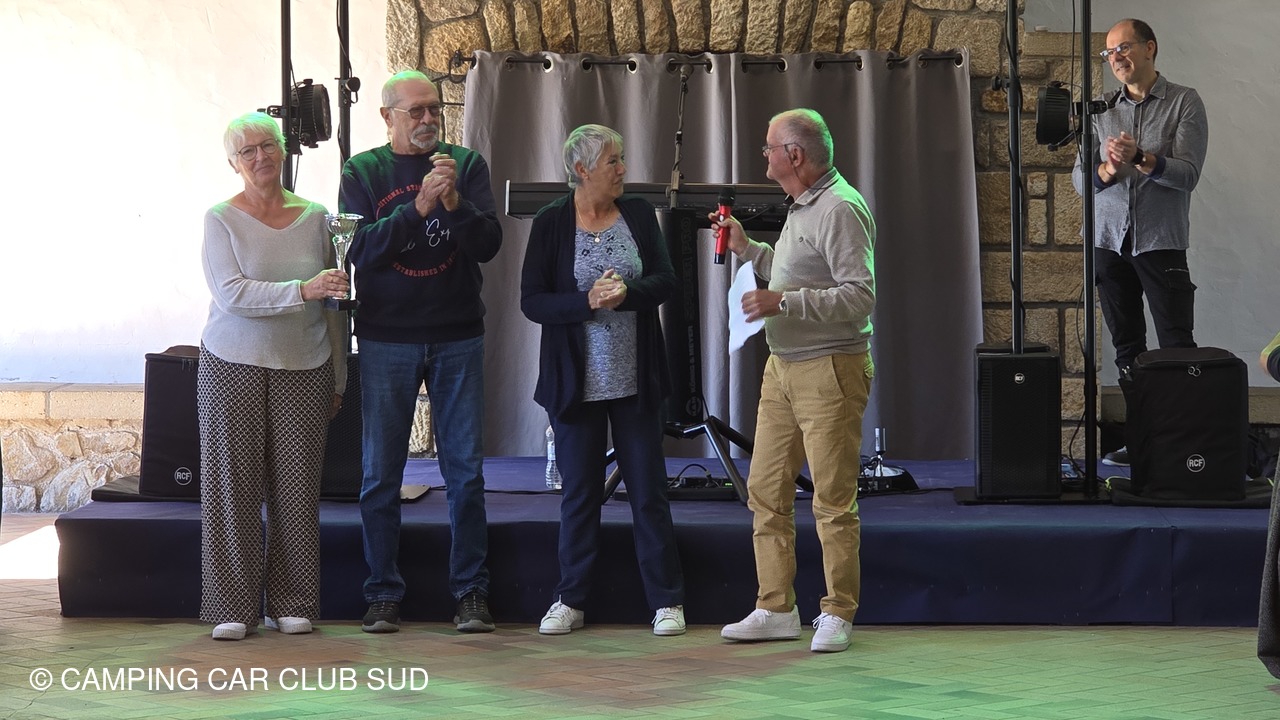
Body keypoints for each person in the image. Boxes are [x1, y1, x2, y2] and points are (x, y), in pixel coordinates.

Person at [340, 70, 503, 633]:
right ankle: (383, 593)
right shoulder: (363, 171)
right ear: (388, 117)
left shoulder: (466, 165)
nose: (429, 119)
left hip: (458, 335)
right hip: (386, 338)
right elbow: (359, 250)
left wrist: (453, 201)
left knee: (466, 474)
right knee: (380, 475)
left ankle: (471, 593)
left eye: (435, 109)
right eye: (417, 111)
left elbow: (488, 245)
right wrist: (417, 209)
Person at [713, 109, 876, 653]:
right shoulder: (804, 204)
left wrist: (782, 302)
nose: (764, 155)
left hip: (830, 367)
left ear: (795, 155)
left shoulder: (840, 208)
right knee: (765, 491)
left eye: (769, 148)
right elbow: (796, 270)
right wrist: (748, 250)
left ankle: (838, 612)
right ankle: (776, 608)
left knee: (832, 499)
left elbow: (860, 295)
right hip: (782, 367)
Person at [520, 124, 686, 636]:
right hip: (575, 383)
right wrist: (586, 301)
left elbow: (665, 280)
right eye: (613, 160)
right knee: (579, 494)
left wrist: (628, 294)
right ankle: (570, 600)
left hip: (635, 379)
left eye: (620, 158)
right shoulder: (551, 222)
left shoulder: (637, 213)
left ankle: (667, 602)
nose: (622, 169)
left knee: (648, 492)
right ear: (582, 169)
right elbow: (532, 301)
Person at [198, 111, 348, 641]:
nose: (260, 157)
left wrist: (338, 373)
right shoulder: (220, 219)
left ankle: (292, 602)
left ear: (284, 150)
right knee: (231, 488)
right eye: (247, 151)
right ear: (233, 163)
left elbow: (335, 301)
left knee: (298, 489)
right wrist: (301, 290)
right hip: (230, 364)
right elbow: (231, 293)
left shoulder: (317, 216)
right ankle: (231, 607)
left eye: (268, 145)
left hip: (306, 365)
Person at [1072, 18, 1209, 467]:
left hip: (1159, 242)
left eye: (1124, 48)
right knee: (1128, 347)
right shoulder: (1101, 109)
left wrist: (1142, 158)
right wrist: (1109, 170)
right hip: (1108, 243)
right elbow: (1081, 180)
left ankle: (1184, 447)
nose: (1116, 58)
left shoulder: (1184, 102)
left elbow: (1187, 175)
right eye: (1109, 52)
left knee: (1176, 345)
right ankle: (1142, 441)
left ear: (1150, 48)